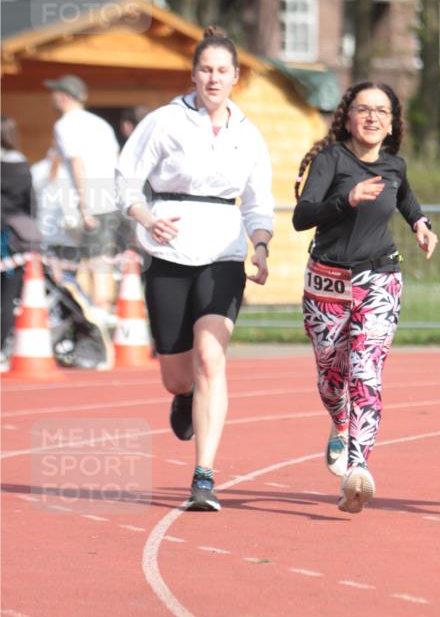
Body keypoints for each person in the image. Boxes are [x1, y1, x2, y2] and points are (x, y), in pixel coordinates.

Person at [116, 26, 273, 511]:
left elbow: (257, 201)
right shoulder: (164, 121)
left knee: (212, 358)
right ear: (193, 73)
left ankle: (203, 476)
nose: (214, 77)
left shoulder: (248, 133)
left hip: (224, 252)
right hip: (168, 250)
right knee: (178, 376)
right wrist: (146, 217)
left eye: (223, 70)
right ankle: (183, 397)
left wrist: (261, 245)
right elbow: (125, 181)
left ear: (235, 77)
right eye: (206, 69)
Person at [293, 81, 438, 514]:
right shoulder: (330, 159)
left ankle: (358, 469)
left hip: (380, 278)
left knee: (366, 371)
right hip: (327, 283)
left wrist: (421, 224)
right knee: (330, 376)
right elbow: (303, 215)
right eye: (364, 109)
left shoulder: (395, 166)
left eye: (382, 111)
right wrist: (346, 199)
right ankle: (340, 423)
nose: (373, 117)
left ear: (392, 123)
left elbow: (406, 199)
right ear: (348, 117)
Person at [45, 74, 120, 315]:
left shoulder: (65, 125)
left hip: (87, 202)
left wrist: (83, 205)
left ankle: (96, 315)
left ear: (63, 96)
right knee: (95, 261)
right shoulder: (101, 124)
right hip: (109, 199)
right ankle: (97, 313)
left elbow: (78, 164)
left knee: (91, 263)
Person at [1, 116, 36, 364]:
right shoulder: (23, 166)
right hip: (14, 237)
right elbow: (31, 206)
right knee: (8, 295)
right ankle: (1, 346)